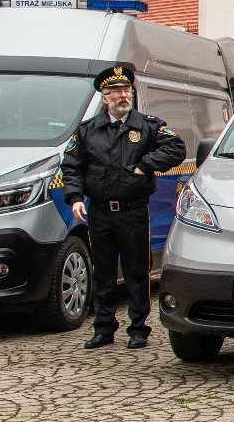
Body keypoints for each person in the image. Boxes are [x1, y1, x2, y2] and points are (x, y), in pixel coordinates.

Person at [60, 63, 185, 350]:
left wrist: (146, 164)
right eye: (115, 92)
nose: (122, 96)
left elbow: (176, 148)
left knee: (136, 271)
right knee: (102, 271)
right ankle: (103, 328)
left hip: (133, 210)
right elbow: (72, 166)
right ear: (104, 97)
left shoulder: (148, 126)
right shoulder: (89, 131)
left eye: (126, 90)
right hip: (100, 211)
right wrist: (75, 197)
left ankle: (138, 328)